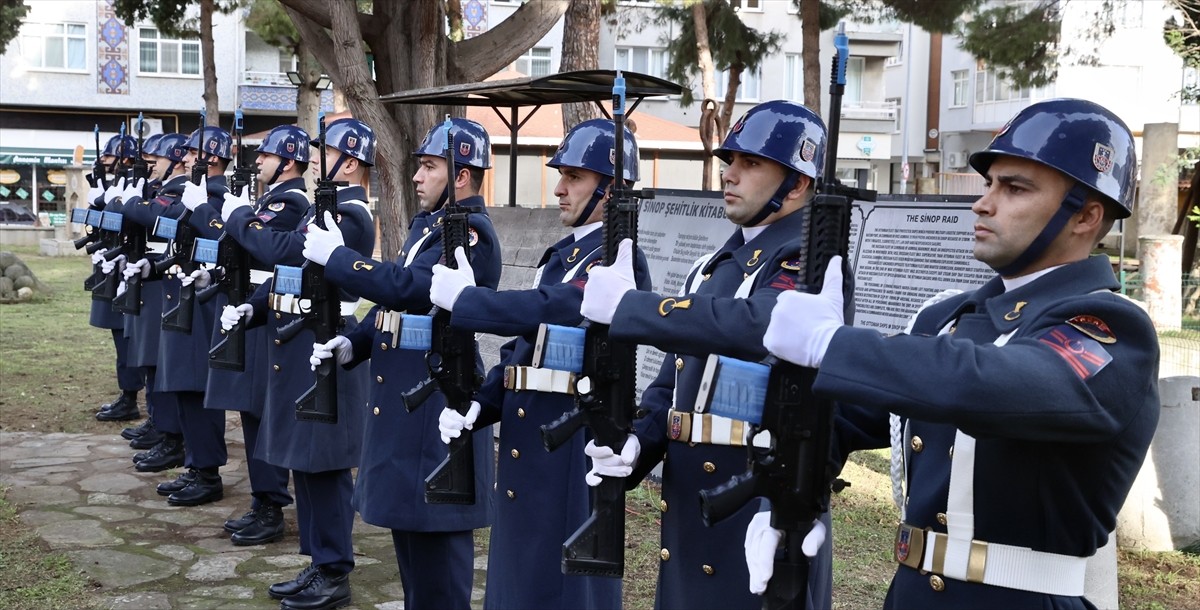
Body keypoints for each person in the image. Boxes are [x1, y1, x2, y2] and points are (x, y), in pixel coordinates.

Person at [759, 98, 1161, 609]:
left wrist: (832, 343)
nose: (983, 203)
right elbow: (847, 417)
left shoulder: (1110, 327)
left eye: (1014, 188)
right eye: (990, 184)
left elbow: (1005, 384)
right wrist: (789, 498)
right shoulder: (948, 318)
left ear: (1085, 216)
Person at [578, 100, 835, 610]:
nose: (730, 174)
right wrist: (640, 440)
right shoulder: (716, 264)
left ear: (799, 183)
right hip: (694, 505)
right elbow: (673, 383)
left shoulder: (810, 264)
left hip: (758, 501)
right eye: (730, 160)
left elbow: (758, 326)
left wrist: (635, 307)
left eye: (752, 163)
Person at [432, 118, 652, 610]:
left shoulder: (617, 260)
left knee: (564, 587)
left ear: (610, 187)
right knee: (520, 579)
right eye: (562, 175)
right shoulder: (566, 253)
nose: (558, 188)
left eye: (574, 177)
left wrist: (469, 301)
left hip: (571, 445)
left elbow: (554, 307)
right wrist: (481, 404)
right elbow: (523, 350)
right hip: (530, 438)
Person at [304, 117, 500, 610]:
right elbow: (396, 308)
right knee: (412, 543)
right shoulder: (430, 226)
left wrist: (339, 261)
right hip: (409, 401)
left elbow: (414, 288)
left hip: (438, 399)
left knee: (437, 549)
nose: (416, 176)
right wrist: (356, 344)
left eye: (429, 167)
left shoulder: (471, 232)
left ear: (461, 175)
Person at [219, 117, 374, 610]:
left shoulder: (352, 216)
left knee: (323, 465)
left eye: (324, 151)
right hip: (299, 342)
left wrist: (240, 217)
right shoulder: (329, 210)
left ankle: (334, 571)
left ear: (349, 161)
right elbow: (291, 272)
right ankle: (318, 561)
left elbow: (283, 248)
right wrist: (254, 306)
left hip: (325, 345)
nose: (314, 160)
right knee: (305, 462)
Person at [188, 125, 309, 545]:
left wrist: (210, 209)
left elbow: (258, 245)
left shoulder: (292, 203)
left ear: (288, 162)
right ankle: (263, 498)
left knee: (262, 411)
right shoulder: (269, 200)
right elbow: (231, 240)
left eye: (267, 156)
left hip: (269, 314)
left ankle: (271, 503)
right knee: (251, 411)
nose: (258, 161)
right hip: (252, 309)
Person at [89, 132, 144, 422]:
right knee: (118, 334)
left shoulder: (136, 188)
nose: (104, 162)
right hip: (111, 264)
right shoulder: (114, 185)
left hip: (129, 268)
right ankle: (126, 393)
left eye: (108, 157)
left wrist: (105, 201)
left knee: (127, 338)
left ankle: (131, 396)